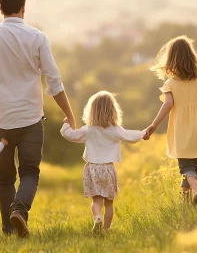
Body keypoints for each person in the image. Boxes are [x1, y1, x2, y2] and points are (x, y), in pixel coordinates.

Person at [0, 0, 75, 236]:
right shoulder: (38, 37)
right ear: (24, 8)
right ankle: (19, 211)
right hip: (31, 118)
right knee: (29, 172)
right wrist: (69, 113)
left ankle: (8, 228)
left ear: (0, 9)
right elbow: (54, 81)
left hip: (2, 118)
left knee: (4, 177)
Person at [144, 35, 197, 205]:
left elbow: (167, 105)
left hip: (182, 130)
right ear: (192, 57)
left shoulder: (171, 84)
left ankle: (196, 190)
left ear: (171, 60)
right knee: (193, 166)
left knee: (186, 167)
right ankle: (185, 199)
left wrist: (154, 124)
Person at [60, 91, 145, 232]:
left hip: (92, 169)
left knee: (96, 201)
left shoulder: (88, 130)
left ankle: (97, 217)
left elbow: (71, 135)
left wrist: (66, 125)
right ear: (113, 111)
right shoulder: (116, 130)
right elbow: (131, 136)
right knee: (109, 203)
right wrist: (144, 133)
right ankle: (106, 229)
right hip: (108, 169)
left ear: (91, 111)